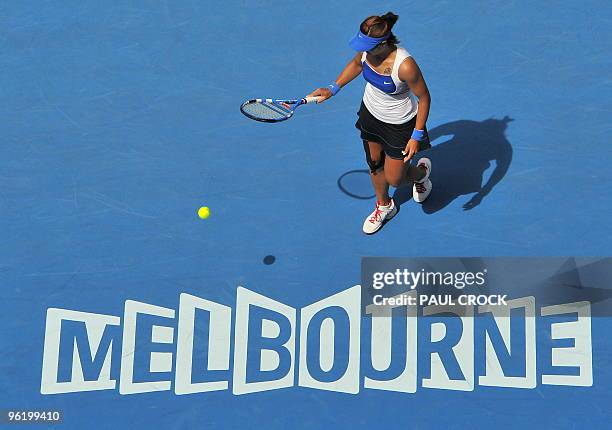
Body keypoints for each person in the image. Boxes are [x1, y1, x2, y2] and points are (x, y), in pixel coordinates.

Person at [308, 12, 432, 234]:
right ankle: (385, 206)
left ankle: (421, 174)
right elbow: (356, 64)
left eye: (369, 45)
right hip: (371, 115)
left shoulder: (405, 66)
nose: (364, 49)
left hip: (399, 125)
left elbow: (424, 98)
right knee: (375, 163)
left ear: (384, 43)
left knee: (396, 178)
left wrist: (416, 135)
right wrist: (333, 88)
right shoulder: (367, 51)